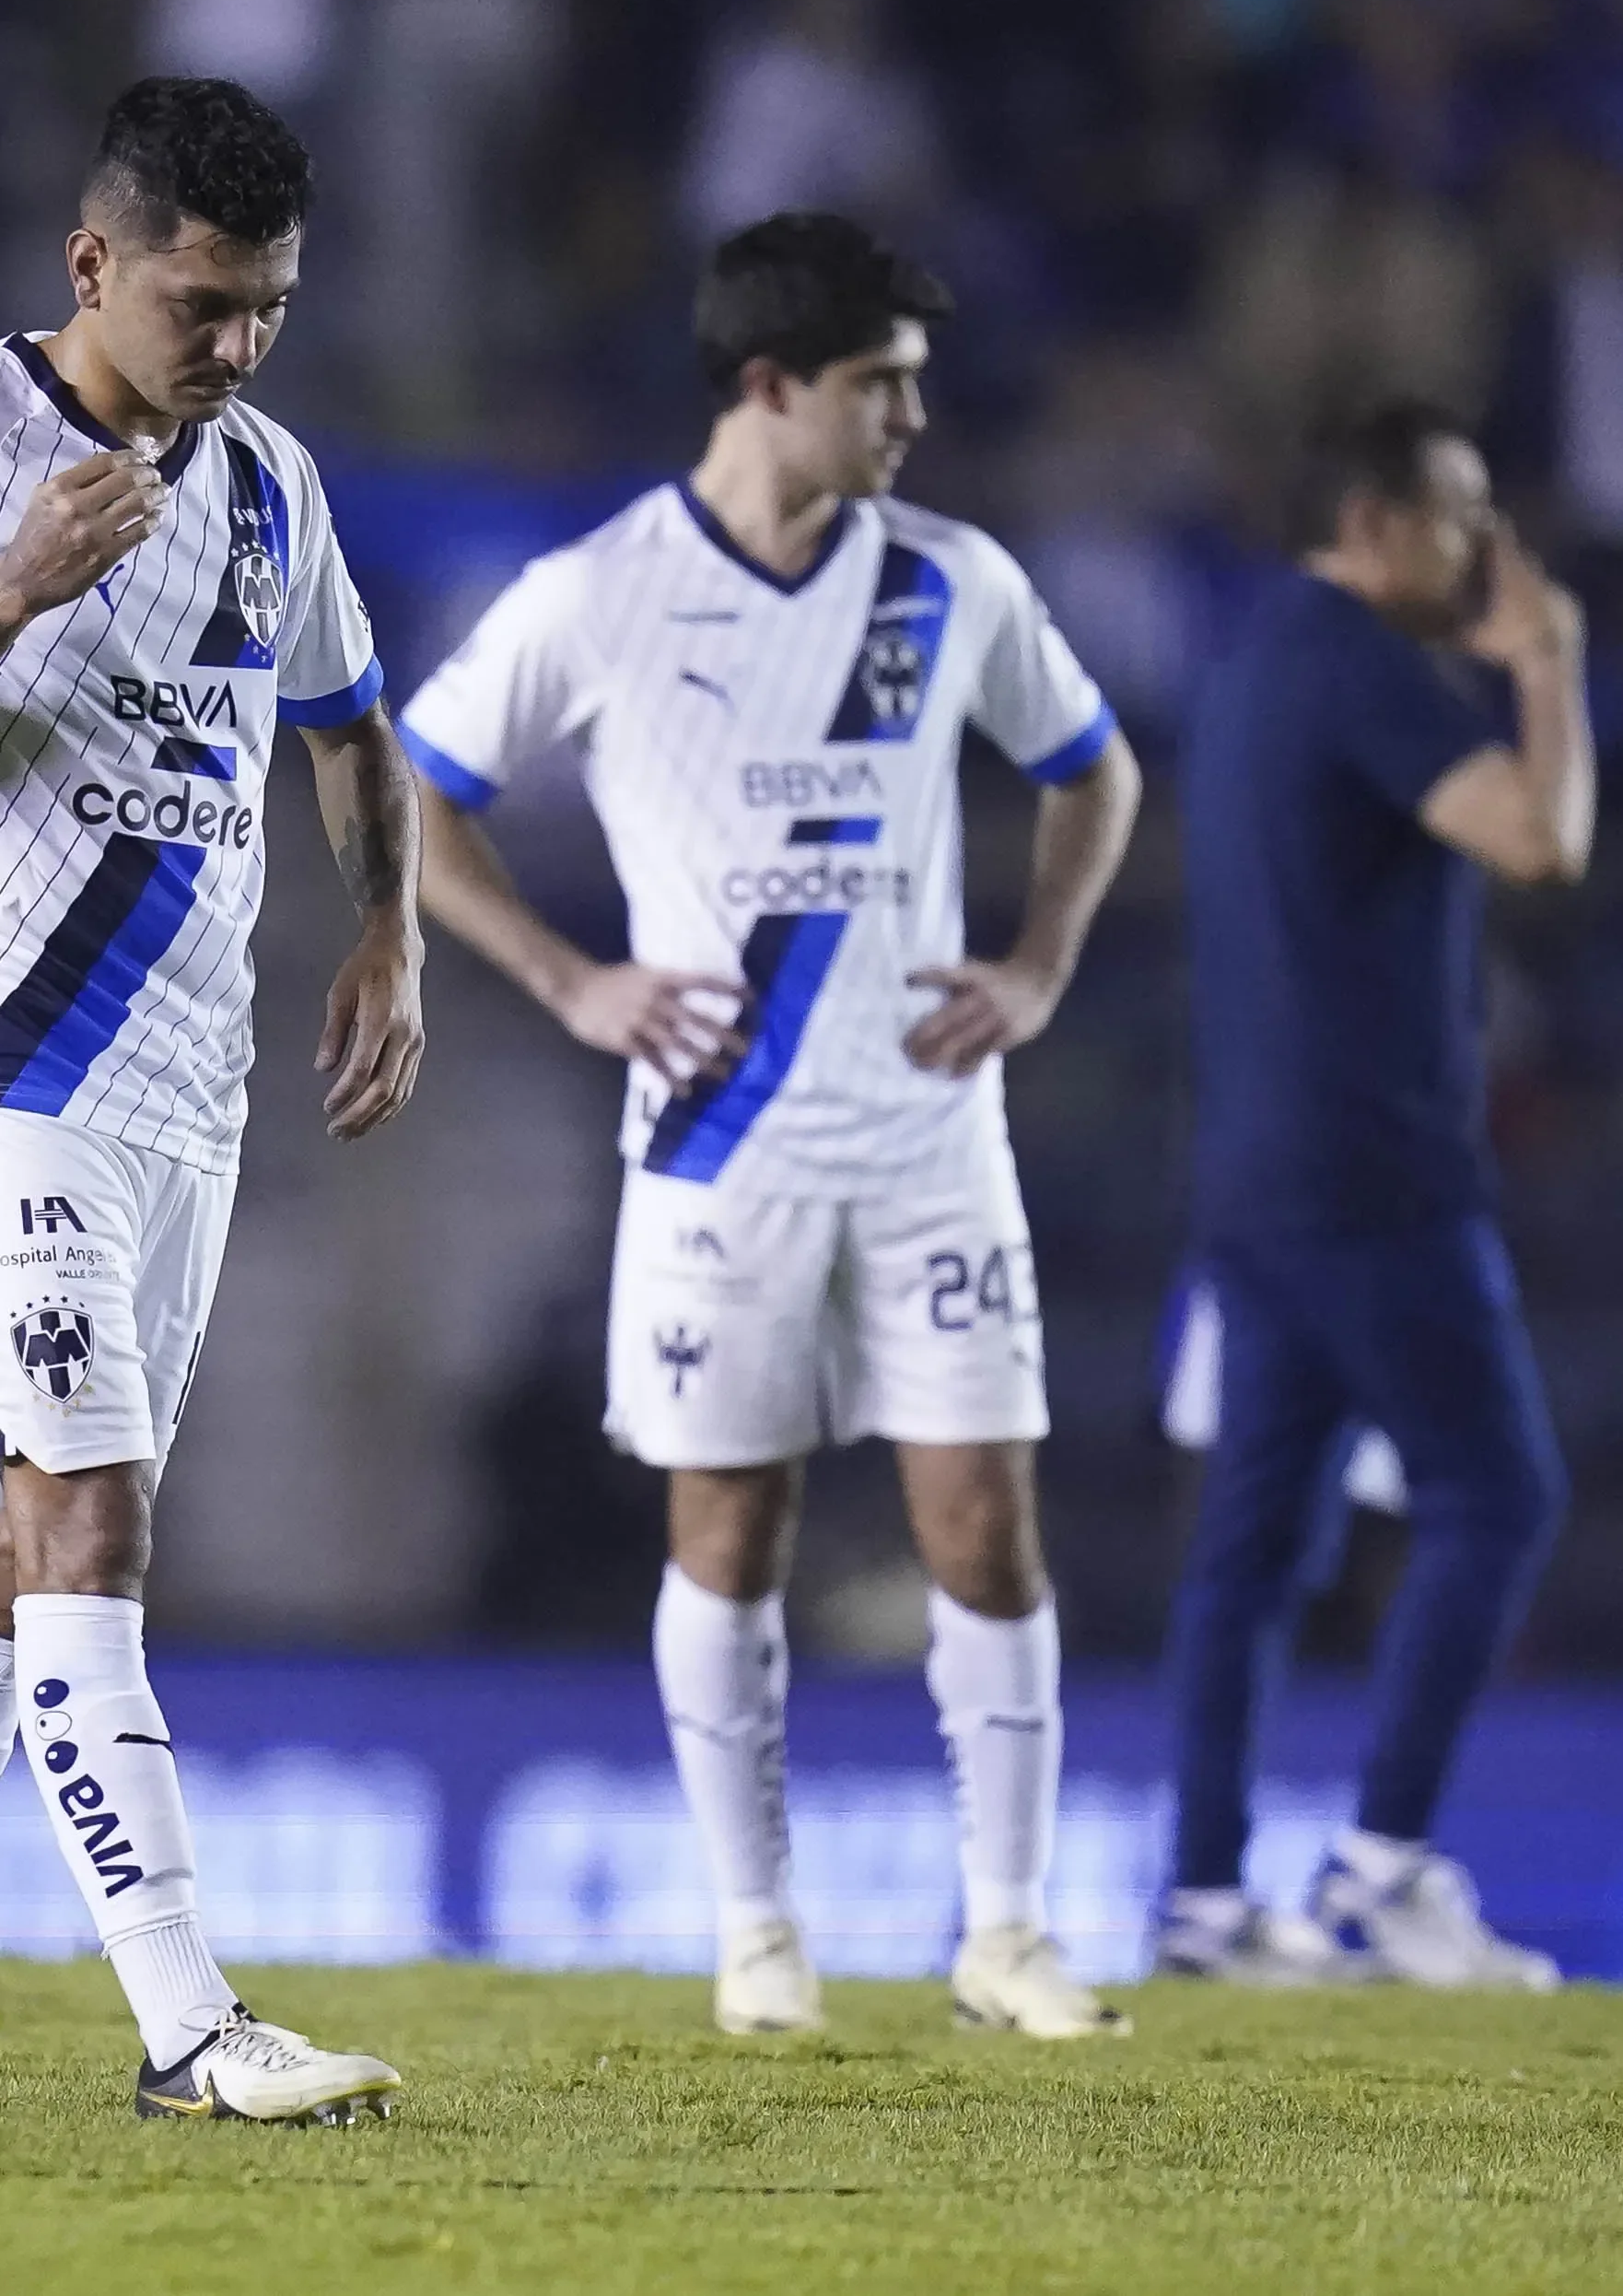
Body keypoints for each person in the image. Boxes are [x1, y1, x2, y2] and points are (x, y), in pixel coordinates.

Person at [0, 77, 423, 2123]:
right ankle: (193, 2033)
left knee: (3, 1552)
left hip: (180, 1097)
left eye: (269, 307)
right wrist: (6, 591)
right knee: (90, 1524)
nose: (234, 346)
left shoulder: (271, 483)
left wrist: (386, 932)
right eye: (201, 302)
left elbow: (348, 729)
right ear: (90, 262)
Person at [399, 211, 1144, 2040]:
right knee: (725, 1533)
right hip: (717, 1143)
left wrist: (1035, 966)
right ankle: (755, 1934)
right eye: (877, 384)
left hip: (926, 1134)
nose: (910, 415)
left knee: (982, 1525)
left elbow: (1091, 768)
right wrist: (569, 980)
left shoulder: (947, 583)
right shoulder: (597, 592)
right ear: (766, 386)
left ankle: (1006, 1934)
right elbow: (408, 798)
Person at [1159, 399, 1588, 1991]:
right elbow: (1542, 836)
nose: (1483, 546)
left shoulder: (1255, 659)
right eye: (1462, 512)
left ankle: (1207, 1893)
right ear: (1381, 519)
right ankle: (1382, 1868)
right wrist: (1544, 662)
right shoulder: (1359, 666)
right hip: (1381, 1177)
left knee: (1254, 1550)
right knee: (1499, 1494)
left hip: (1259, 1175)